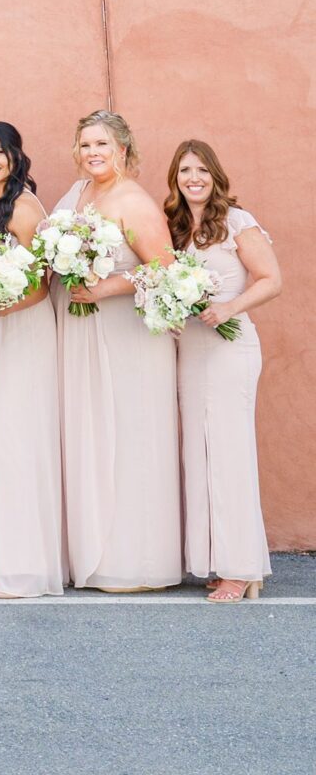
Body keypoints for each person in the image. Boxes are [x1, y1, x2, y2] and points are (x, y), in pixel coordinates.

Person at [51, 108, 180, 592]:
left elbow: (165, 268)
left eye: (102, 144)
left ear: (123, 148)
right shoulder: (80, 193)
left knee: (125, 437)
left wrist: (105, 289)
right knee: (89, 434)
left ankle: (133, 561)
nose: (93, 153)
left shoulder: (132, 199)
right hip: (82, 333)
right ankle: (89, 549)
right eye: (85, 145)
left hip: (123, 337)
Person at [167, 137, 280, 601]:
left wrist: (229, 308)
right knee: (201, 451)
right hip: (191, 349)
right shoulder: (174, 228)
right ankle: (218, 558)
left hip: (231, 348)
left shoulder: (236, 222)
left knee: (230, 452)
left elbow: (272, 279)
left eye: (202, 171)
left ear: (215, 176)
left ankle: (242, 566)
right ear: (175, 178)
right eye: (185, 171)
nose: (194, 179)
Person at [0, 122, 63, 599]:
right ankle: (4, 559)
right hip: (2, 328)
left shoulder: (23, 206)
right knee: (2, 444)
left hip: (24, 330)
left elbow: (40, 284)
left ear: (14, 154)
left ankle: (27, 571)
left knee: (18, 442)